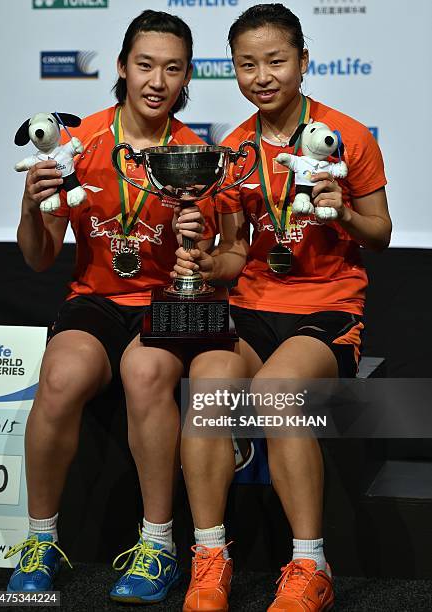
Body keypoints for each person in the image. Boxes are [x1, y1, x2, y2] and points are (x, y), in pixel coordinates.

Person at [175, 4, 392, 611]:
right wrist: (202, 260)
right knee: (207, 383)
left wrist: (341, 211)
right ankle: (210, 556)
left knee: (275, 391)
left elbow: (381, 232)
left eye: (275, 61)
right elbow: (237, 252)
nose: (262, 75)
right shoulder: (235, 149)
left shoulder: (346, 135)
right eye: (247, 64)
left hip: (326, 309)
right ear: (235, 71)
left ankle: (309, 567)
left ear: (303, 61)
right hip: (251, 305)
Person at [5, 10, 216, 606]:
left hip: (166, 303)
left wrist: (198, 243)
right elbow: (41, 258)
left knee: (145, 371)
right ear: (122, 68)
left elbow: (215, 254)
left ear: (186, 78)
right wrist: (30, 206)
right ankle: (40, 539)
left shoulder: (195, 152)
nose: (157, 81)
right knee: (61, 374)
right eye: (145, 65)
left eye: (172, 69)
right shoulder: (81, 142)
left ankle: (158, 545)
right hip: (96, 299)